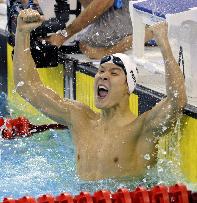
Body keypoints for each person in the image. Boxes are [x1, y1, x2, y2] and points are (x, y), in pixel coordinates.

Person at [13, 8, 187, 181]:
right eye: (101, 71)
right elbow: (28, 88)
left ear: (128, 86)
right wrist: (22, 34)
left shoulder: (141, 130)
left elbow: (177, 100)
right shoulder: (80, 119)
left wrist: (163, 43)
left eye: (114, 73)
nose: (103, 75)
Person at [45, 0, 153, 59]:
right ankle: (146, 32)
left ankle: (150, 32)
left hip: (144, 8)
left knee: (88, 44)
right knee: (85, 42)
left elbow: (104, 2)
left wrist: (63, 35)